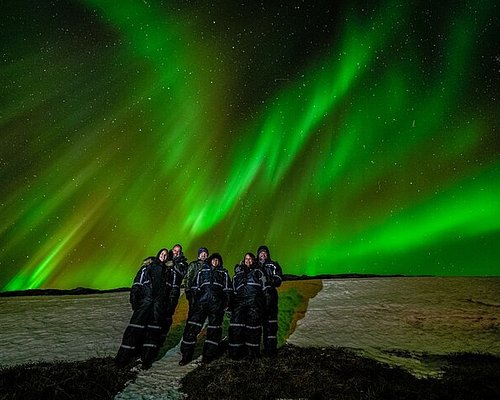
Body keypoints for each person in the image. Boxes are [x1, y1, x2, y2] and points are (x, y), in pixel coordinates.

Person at [115, 248, 170, 369]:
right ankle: (121, 360)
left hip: (157, 306)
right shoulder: (147, 267)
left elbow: (167, 290)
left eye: (166, 255)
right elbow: (137, 284)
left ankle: (146, 360)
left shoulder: (167, 271)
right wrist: (135, 300)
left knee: (153, 333)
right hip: (145, 303)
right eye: (162, 253)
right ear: (158, 255)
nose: (163, 256)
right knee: (134, 330)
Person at [179, 253, 232, 365]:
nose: (215, 262)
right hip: (201, 304)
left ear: (220, 262)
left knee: (214, 330)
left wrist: (225, 304)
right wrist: (194, 302)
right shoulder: (202, 272)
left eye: (217, 260)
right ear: (210, 261)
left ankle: (208, 357)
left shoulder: (224, 273)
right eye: (213, 260)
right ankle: (186, 356)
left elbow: (228, 291)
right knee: (192, 327)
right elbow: (194, 288)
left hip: (216, 306)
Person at [228, 252, 266, 360]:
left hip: (254, 304)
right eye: (246, 258)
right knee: (236, 328)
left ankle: (252, 355)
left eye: (250, 259)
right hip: (239, 304)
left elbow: (265, 288)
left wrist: (263, 304)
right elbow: (232, 289)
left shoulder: (259, 272)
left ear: (253, 260)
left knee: (253, 328)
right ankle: (235, 354)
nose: (248, 260)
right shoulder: (238, 274)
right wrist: (230, 305)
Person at [257, 245, 283, 356]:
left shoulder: (274, 265)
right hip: (257, 298)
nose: (263, 255)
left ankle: (271, 349)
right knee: (257, 324)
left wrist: (269, 279)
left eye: (265, 253)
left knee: (271, 324)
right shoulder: (255, 265)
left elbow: (278, 280)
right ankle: (257, 349)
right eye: (261, 253)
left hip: (271, 297)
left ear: (268, 254)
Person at [161, 243, 189, 344]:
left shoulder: (183, 263)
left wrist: (174, 264)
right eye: (174, 250)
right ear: (171, 251)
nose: (176, 252)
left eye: (178, 251)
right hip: (162, 291)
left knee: (168, 315)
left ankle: (161, 338)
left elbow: (183, 273)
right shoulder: (165, 259)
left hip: (173, 292)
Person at [184, 247, 209, 312]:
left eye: (205, 254)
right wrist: (187, 290)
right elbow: (188, 277)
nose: (203, 255)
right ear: (198, 255)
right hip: (194, 291)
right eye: (201, 254)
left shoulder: (209, 266)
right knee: (193, 310)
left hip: (205, 292)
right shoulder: (193, 265)